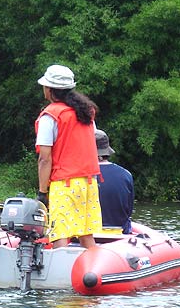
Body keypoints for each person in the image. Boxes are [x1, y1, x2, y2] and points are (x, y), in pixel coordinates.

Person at [35, 64, 102, 249]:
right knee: (86, 234)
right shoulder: (86, 112)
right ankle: (93, 271)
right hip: (88, 183)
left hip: (64, 184)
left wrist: (42, 192)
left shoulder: (50, 116)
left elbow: (45, 158)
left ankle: (60, 275)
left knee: (59, 235)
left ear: (49, 89)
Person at [95, 129, 134, 234]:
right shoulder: (126, 174)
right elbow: (129, 210)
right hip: (119, 233)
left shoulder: (80, 176)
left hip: (89, 234)